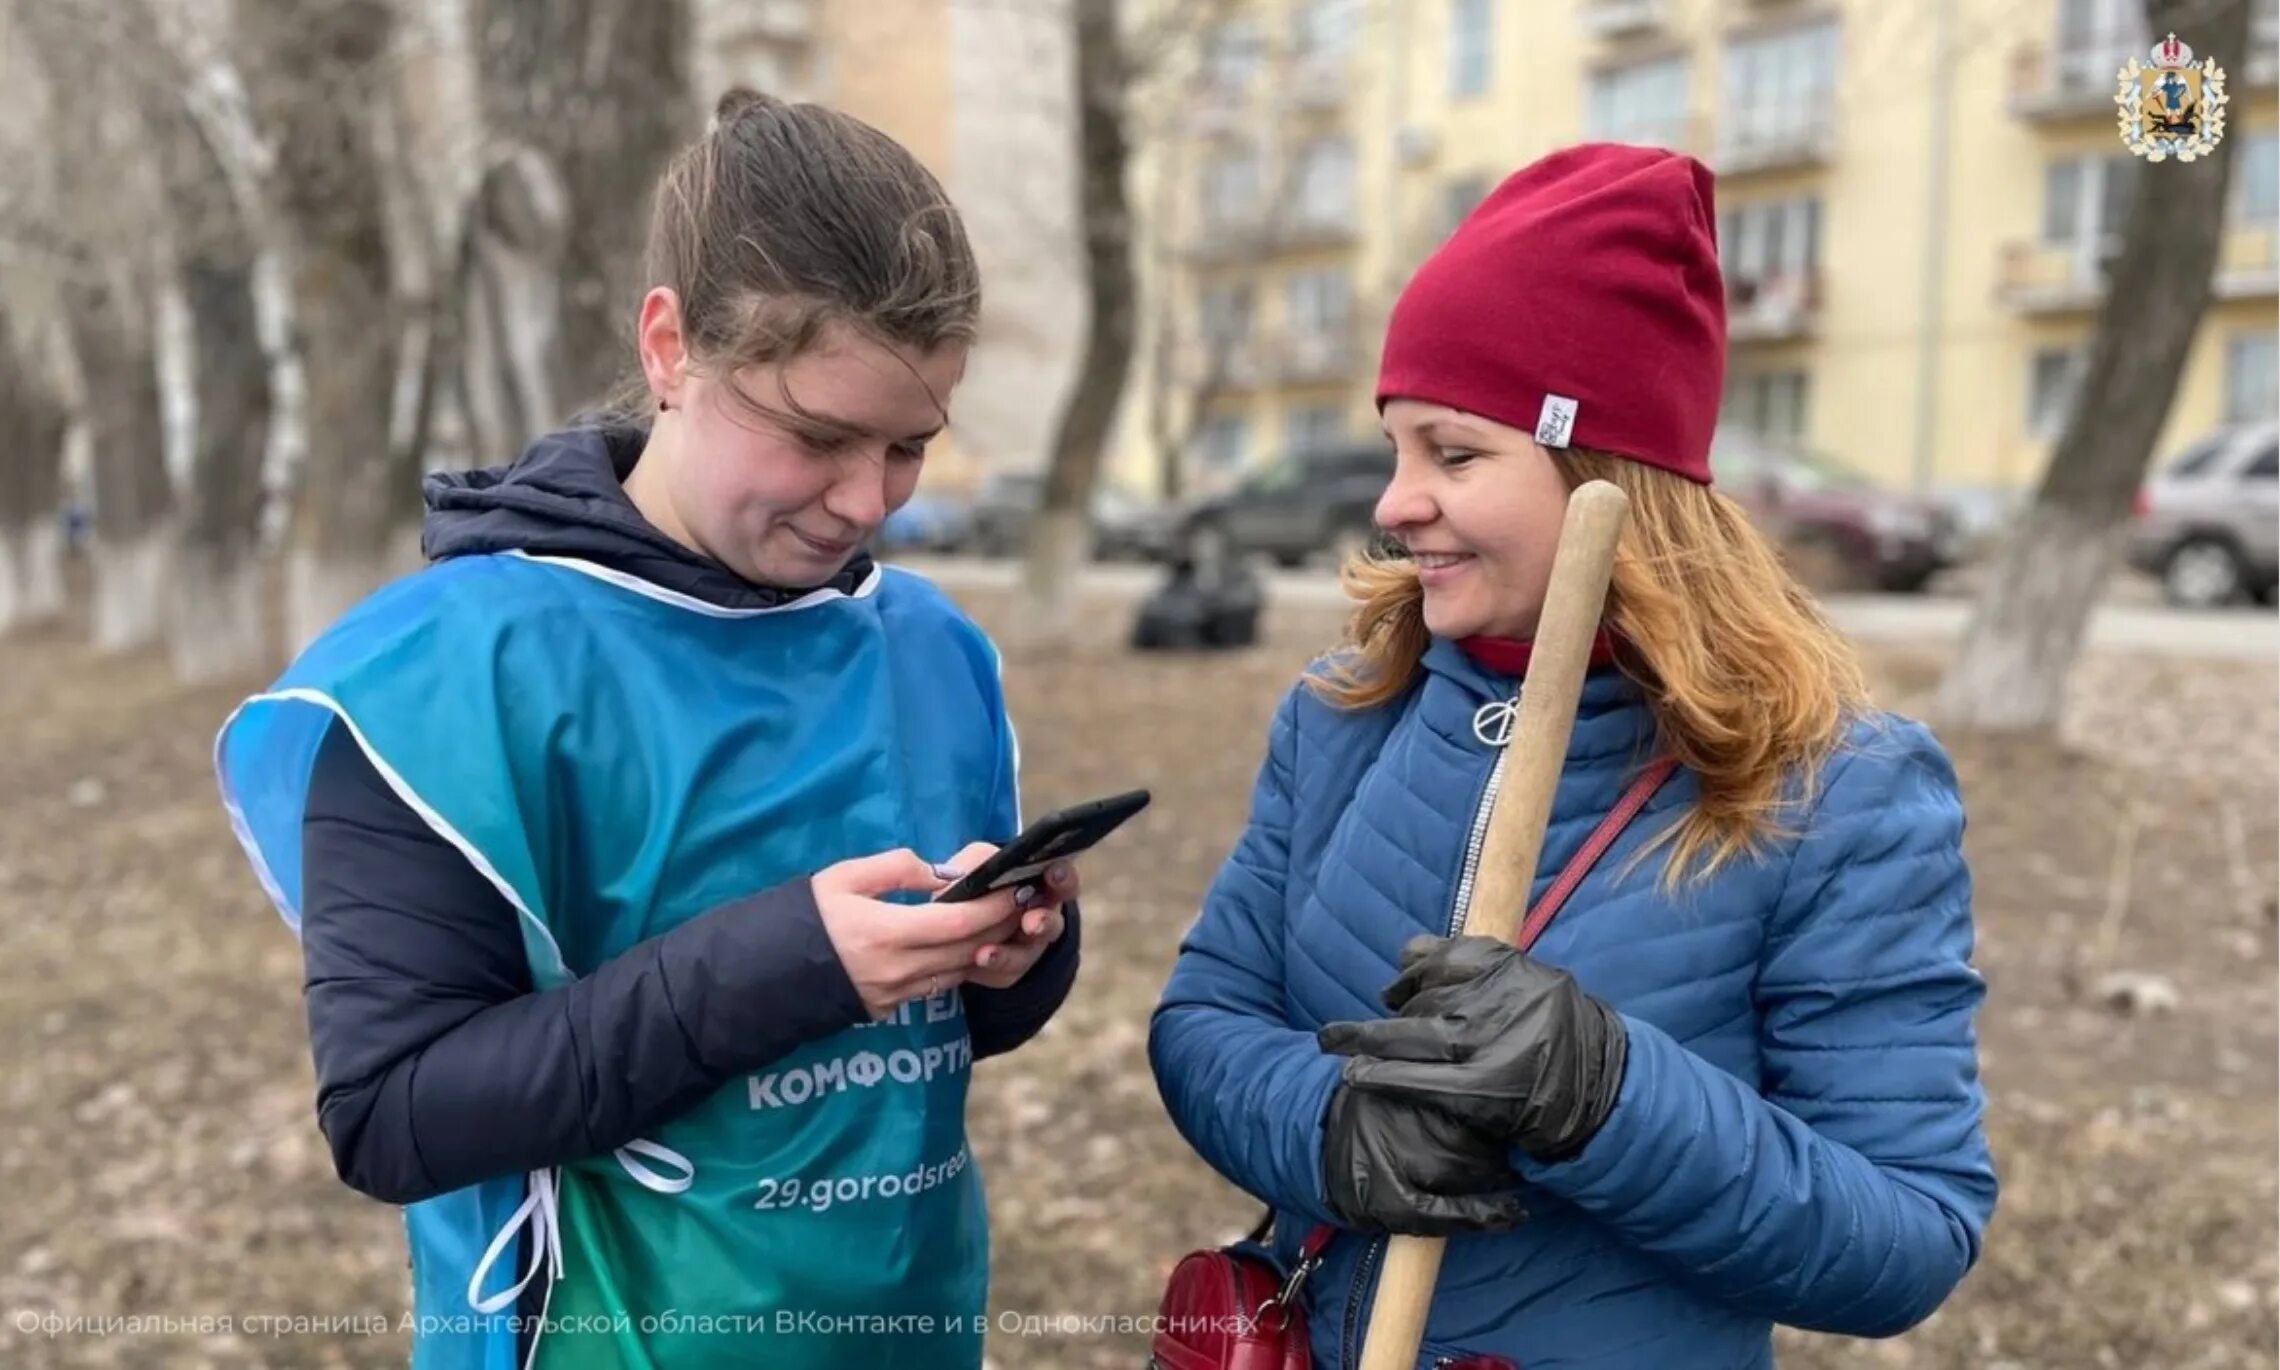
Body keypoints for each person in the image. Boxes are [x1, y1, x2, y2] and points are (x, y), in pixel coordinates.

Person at [215, 92, 1080, 1370]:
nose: (866, 500)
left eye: (909, 446)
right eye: (818, 435)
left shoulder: (930, 647)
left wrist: (1012, 953)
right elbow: (392, 1114)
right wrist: (796, 961)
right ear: (670, 347)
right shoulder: (444, 679)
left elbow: (943, 1041)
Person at [1148, 143, 1997, 1368]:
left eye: (1453, 452)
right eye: (1395, 447)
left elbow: (1911, 1233)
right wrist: (1327, 1126)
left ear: (1609, 472)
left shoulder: (1840, 786)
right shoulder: (1345, 713)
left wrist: (1608, 1095)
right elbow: (1207, 1017)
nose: (1395, 501)